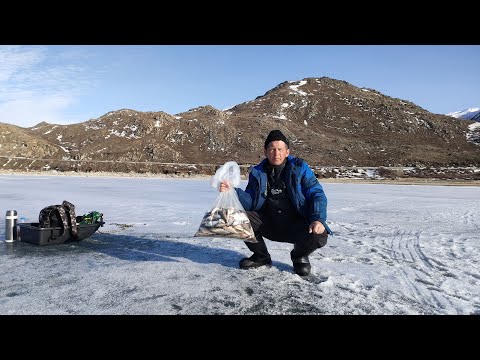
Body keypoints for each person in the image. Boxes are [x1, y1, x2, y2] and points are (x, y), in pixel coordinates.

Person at [219, 129, 332, 276]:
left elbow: (316, 194)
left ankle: (299, 256)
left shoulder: (300, 168)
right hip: (269, 223)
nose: (276, 153)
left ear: (287, 152)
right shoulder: (258, 172)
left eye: (280, 149)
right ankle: (261, 256)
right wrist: (232, 191)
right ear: (265, 151)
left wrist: (318, 219)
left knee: (320, 233)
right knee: (236, 217)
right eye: (272, 149)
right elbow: (251, 202)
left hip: (296, 225)